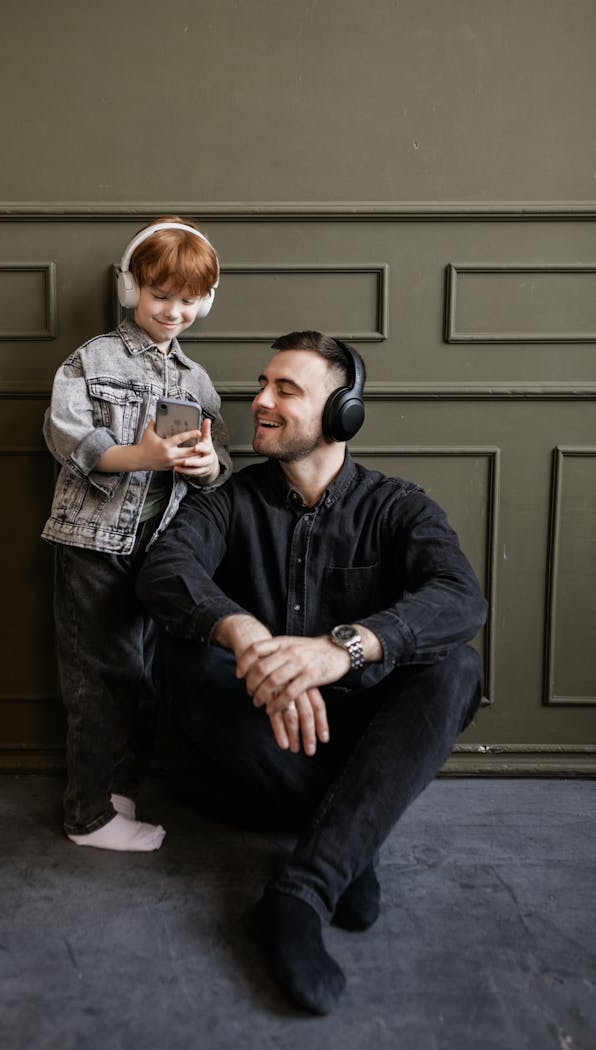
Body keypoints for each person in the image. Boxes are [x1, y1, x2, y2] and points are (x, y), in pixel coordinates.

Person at [136, 330, 487, 1013]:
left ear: (341, 413)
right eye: (262, 385)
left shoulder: (398, 506)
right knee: (182, 651)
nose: (260, 401)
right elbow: (165, 569)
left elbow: (459, 597)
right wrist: (249, 638)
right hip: (257, 755)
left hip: (361, 740)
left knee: (457, 667)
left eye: (285, 390)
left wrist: (340, 648)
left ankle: (303, 889)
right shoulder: (228, 499)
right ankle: (352, 838)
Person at [42, 216, 232, 852]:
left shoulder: (195, 380)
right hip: (93, 544)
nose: (173, 312)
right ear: (131, 290)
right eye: (160, 295)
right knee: (100, 680)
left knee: (143, 676)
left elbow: (219, 457)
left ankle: (117, 791)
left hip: (157, 550)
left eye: (188, 300)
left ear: (205, 302)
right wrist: (141, 457)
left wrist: (207, 466)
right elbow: (69, 438)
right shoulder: (93, 359)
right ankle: (88, 816)